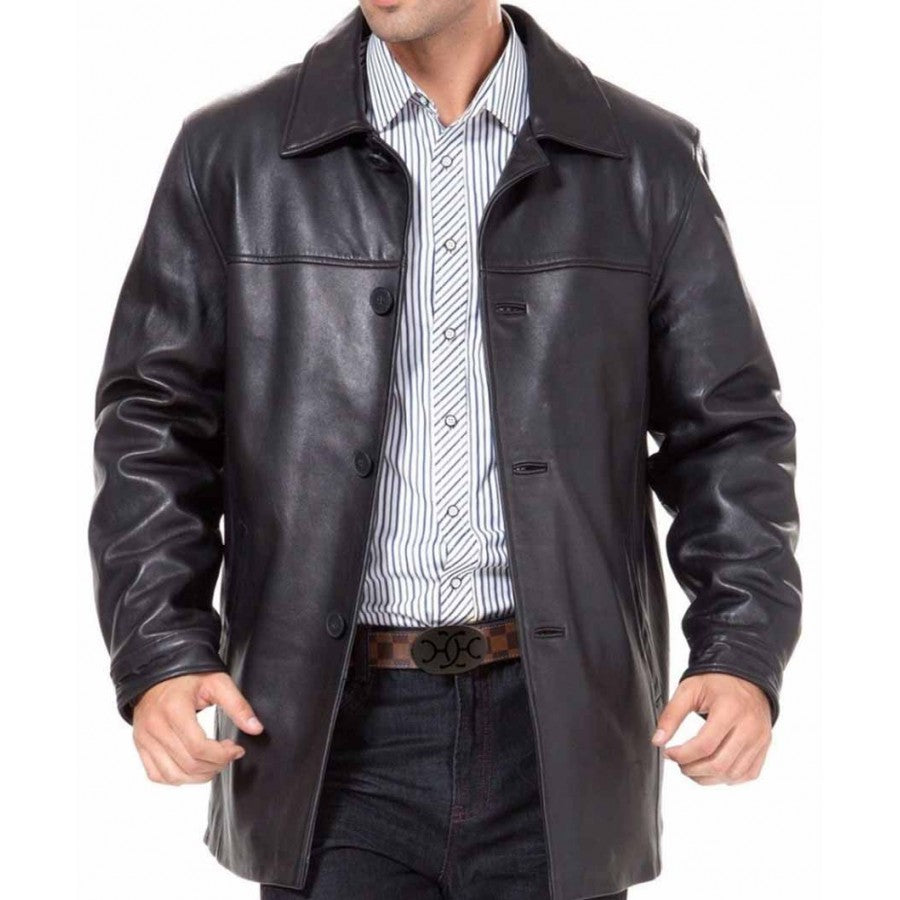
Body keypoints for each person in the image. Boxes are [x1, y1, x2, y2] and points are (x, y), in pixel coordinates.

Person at [88, 2, 802, 898]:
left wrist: (740, 650)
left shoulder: (644, 161)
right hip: (324, 738)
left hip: (560, 735)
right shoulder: (232, 154)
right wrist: (161, 649)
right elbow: (154, 422)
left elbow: (728, 431)